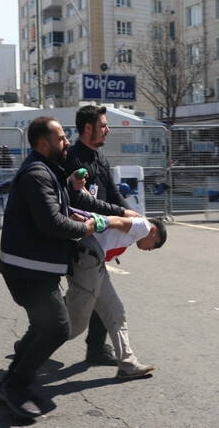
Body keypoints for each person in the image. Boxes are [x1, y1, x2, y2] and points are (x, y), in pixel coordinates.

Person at [0, 116, 127, 419]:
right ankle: (15, 383)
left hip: (33, 268)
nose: (67, 142)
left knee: (44, 325)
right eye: (61, 139)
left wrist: (73, 195)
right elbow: (52, 222)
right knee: (57, 328)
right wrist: (87, 228)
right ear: (44, 144)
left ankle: (12, 379)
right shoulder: (36, 174)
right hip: (26, 270)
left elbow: (60, 205)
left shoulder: (48, 172)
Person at [64, 104, 143, 367]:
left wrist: (133, 215)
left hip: (100, 238)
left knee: (94, 293)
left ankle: (96, 348)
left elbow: (112, 194)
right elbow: (84, 204)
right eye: (103, 125)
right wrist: (122, 214)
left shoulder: (100, 158)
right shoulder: (72, 159)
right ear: (88, 128)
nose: (108, 130)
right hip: (78, 239)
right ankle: (38, 339)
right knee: (83, 303)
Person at [65, 209, 167, 379]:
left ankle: (128, 364)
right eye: (155, 244)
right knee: (76, 326)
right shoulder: (144, 226)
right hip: (89, 259)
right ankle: (31, 346)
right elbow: (116, 222)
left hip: (95, 262)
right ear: (153, 232)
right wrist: (94, 220)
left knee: (115, 311)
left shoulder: (138, 228)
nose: (151, 249)